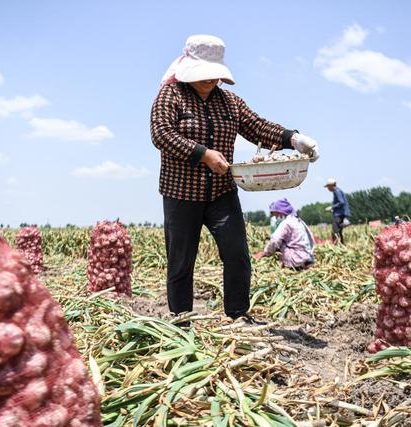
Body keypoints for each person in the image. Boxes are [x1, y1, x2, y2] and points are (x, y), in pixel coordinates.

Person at [150, 35, 320, 324]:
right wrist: (203, 154)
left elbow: (257, 127)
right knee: (180, 262)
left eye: (214, 75)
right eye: (204, 74)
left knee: (237, 254)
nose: (210, 80)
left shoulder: (229, 102)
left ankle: (238, 314)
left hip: (221, 193)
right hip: (180, 194)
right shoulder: (171, 96)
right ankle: (181, 320)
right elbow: (161, 134)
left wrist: (293, 138)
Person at [254, 199, 315, 269]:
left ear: (281, 213)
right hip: (307, 257)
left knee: (279, 243)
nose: (276, 218)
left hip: (297, 259)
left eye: (276, 215)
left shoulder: (286, 223)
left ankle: (288, 265)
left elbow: (275, 240)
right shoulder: (298, 221)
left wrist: (264, 253)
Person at [324, 178, 351, 244]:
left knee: (335, 232)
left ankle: (336, 246)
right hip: (340, 213)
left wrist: (331, 207)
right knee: (339, 232)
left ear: (332, 185)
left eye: (328, 186)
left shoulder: (337, 191)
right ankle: (342, 245)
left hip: (339, 214)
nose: (328, 188)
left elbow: (341, 202)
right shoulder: (338, 191)